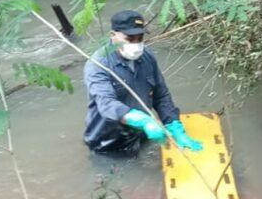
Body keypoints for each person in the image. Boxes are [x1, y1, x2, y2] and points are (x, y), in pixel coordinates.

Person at [82, 10, 203, 158]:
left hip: (142, 132)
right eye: (130, 38)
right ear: (113, 36)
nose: (136, 44)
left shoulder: (147, 57)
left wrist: (173, 124)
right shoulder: (98, 64)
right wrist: (144, 121)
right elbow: (106, 103)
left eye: (140, 38)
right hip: (109, 140)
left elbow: (161, 95)